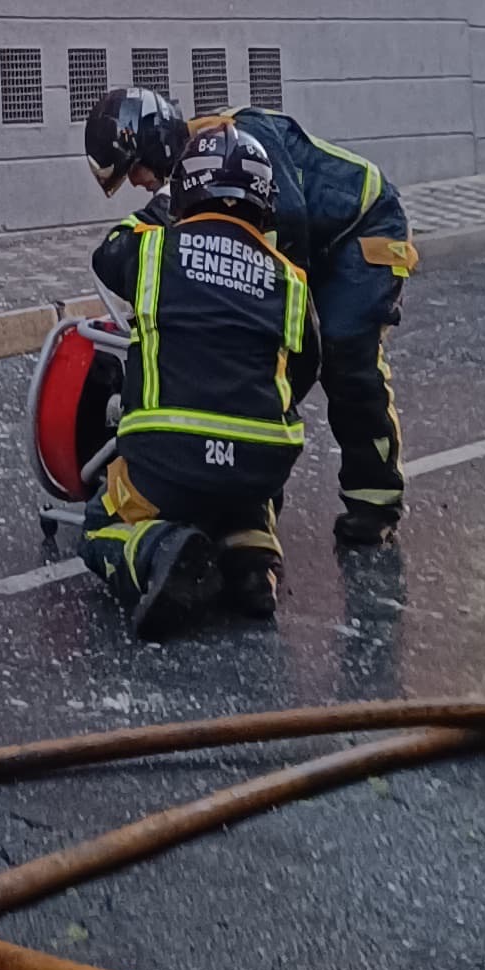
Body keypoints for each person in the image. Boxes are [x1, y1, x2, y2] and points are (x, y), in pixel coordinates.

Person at [86, 86, 416, 553]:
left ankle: (375, 502)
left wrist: (260, 395)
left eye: (133, 172)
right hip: (323, 244)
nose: (137, 184)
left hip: (364, 229)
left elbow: (283, 241)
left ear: (149, 145)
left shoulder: (237, 140)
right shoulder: (196, 169)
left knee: (343, 354)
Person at [75, 113, 318, 635]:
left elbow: (107, 253)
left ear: (182, 193)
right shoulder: (290, 278)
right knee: (241, 491)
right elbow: (305, 367)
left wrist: (163, 216)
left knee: (96, 526)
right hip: (260, 465)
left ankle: (162, 549)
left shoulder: (152, 251)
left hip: (167, 460)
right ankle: (252, 558)